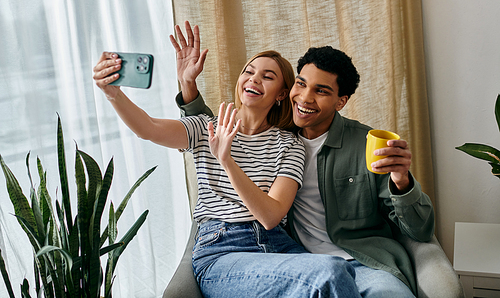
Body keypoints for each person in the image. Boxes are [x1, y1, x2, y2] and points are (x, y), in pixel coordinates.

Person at [92, 21, 362, 298]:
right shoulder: (205, 127)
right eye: (249, 72)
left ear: (282, 93)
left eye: (268, 76)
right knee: (330, 272)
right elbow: (148, 128)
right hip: (223, 252)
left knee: (339, 271)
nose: (254, 79)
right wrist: (113, 93)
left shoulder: (289, 144)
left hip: (278, 246)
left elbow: (271, 216)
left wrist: (227, 161)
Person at [177, 31, 435, 297]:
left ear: (341, 101)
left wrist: (401, 180)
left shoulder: (366, 144)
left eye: (321, 91)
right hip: (299, 262)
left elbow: (420, 229)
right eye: (301, 84)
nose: (305, 98)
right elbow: (215, 131)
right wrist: (188, 85)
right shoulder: (280, 139)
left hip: (368, 263)